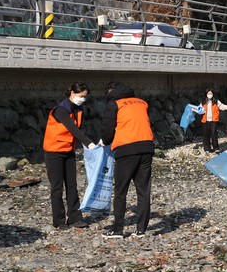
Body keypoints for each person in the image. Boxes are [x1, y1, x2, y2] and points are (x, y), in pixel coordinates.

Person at [101, 82, 154, 239]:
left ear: (111, 92)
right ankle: (141, 230)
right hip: (147, 147)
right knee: (143, 191)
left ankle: (118, 230)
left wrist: (105, 141)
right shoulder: (142, 102)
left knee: (120, 191)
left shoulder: (115, 104)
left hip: (127, 150)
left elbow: (107, 129)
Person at [42, 82, 97, 230]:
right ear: (72, 93)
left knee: (72, 185)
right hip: (53, 151)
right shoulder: (60, 110)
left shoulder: (78, 110)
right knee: (57, 186)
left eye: (85, 97)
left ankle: (75, 218)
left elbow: (81, 129)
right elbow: (73, 129)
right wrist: (89, 144)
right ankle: (59, 221)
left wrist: (93, 143)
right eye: (81, 96)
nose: (82, 99)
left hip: (68, 150)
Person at [197, 88, 227, 153]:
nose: (209, 95)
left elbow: (222, 106)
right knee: (206, 134)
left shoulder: (216, 101)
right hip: (205, 120)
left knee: (214, 134)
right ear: (206, 94)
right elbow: (199, 109)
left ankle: (216, 148)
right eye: (208, 93)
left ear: (213, 94)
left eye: (211, 93)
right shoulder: (203, 101)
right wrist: (193, 109)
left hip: (214, 120)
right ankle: (207, 148)